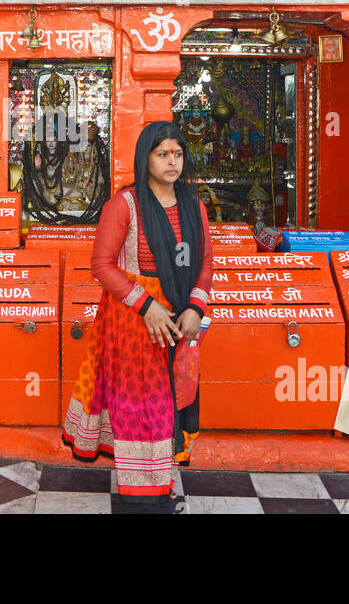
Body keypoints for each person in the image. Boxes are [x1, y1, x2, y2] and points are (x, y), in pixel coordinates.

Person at [62, 120, 214, 513]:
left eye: (177, 154)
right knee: (143, 410)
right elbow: (102, 265)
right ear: (145, 157)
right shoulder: (124, 205)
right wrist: (148, 306)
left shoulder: (193, 205)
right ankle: (142, 500)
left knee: (172, 403)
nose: (172, 162)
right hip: (133, 323)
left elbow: (206, 263)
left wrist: (195, 308)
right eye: (162, 154)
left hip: (180, 320)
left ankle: (160, 487)